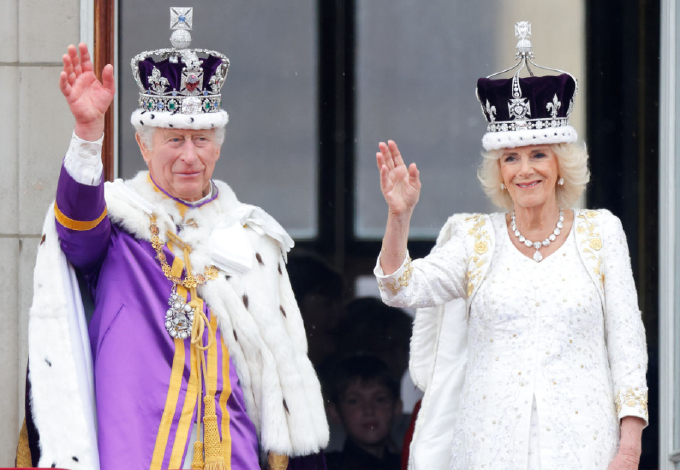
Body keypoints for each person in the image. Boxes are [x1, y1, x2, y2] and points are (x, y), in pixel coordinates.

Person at [16, 8, 328, 470]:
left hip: (230, 449)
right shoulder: (119, 224)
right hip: (136, 448)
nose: (189, 156)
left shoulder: (251, 237)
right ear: (144, 145)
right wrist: (87, 135)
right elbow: (77, 229)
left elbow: (279, 376)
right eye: (173, 139)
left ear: (218, 146)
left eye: (201, 139)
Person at [373, 22, 648, 470]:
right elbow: (399, 288)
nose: (525, 170)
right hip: (488, 447)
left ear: (561, 164)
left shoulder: (602, 233)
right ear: (499, 171)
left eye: (538, 154)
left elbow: (628, 347)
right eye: (511, 158)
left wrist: (629, 447)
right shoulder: (475, 239)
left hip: (584, 447)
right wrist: (398, 216)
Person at [325, 356, 402, 470]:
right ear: (334, 412)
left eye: (379, 399)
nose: (369, 410)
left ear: (396, 407)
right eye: (353, 401)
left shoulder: (410, 463)